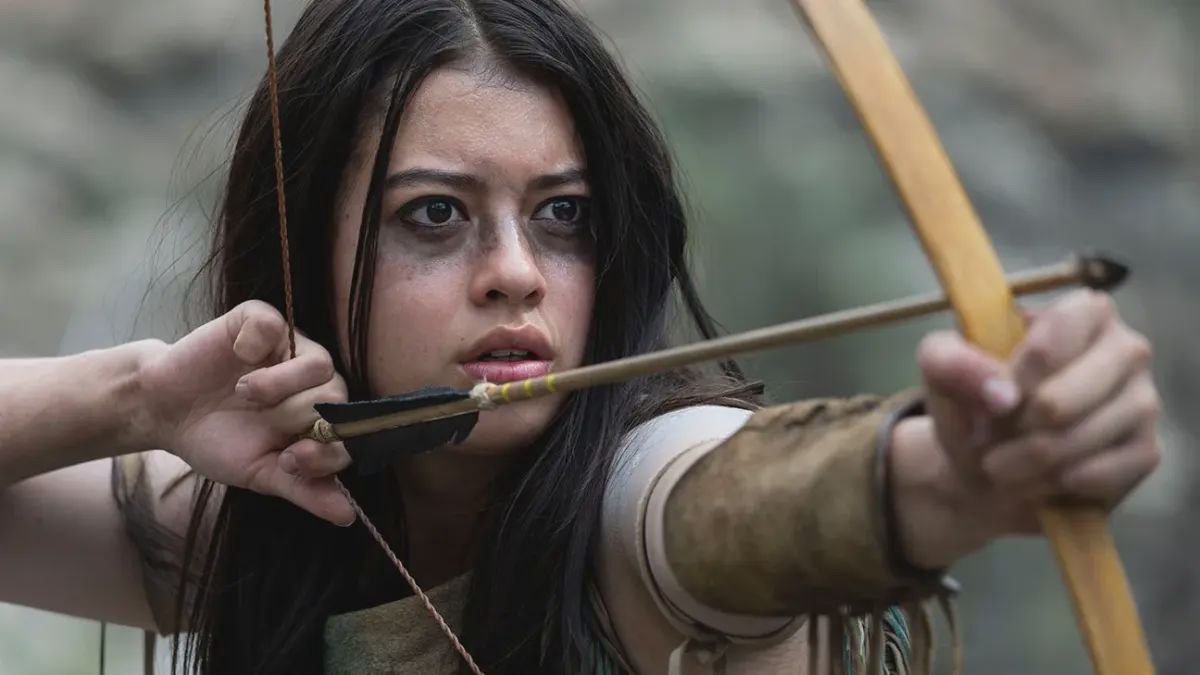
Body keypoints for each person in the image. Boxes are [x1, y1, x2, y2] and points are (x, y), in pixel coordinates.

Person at [0, 0, 1161, 673]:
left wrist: (954, 471)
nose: (516, 272)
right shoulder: (272, 516)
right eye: (434, 216)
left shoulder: (646, 491)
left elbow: (742, 497)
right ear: (302, 248)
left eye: (565, 217)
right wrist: (138, 399)